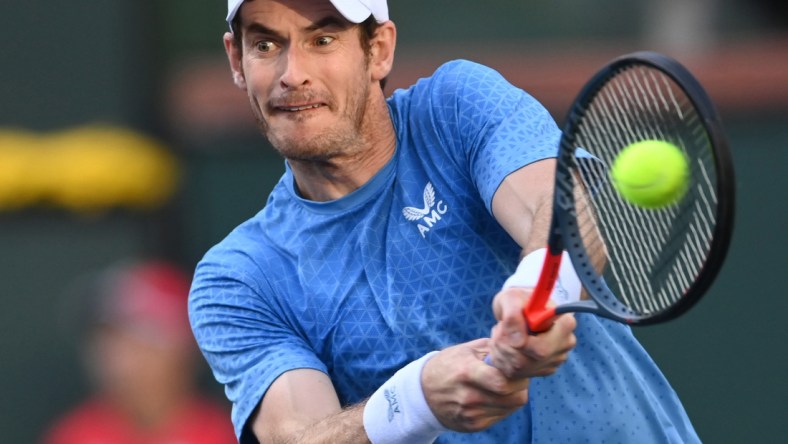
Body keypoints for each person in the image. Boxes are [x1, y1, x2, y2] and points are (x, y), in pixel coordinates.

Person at [189, 1, 700, 443]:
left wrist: (536, 289)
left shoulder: (456, 106)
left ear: (379, 50)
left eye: (323, 39)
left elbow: (560, 209)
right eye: (266, 45)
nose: (292, 73)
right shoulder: (238, 280)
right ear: (236, 59)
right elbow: (299, 437)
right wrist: (415, 401)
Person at [43, 260, 236, 444]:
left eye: (136, 341)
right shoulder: (75, 435)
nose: (116, 360)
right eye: (105, 341)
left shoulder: (233, 433)